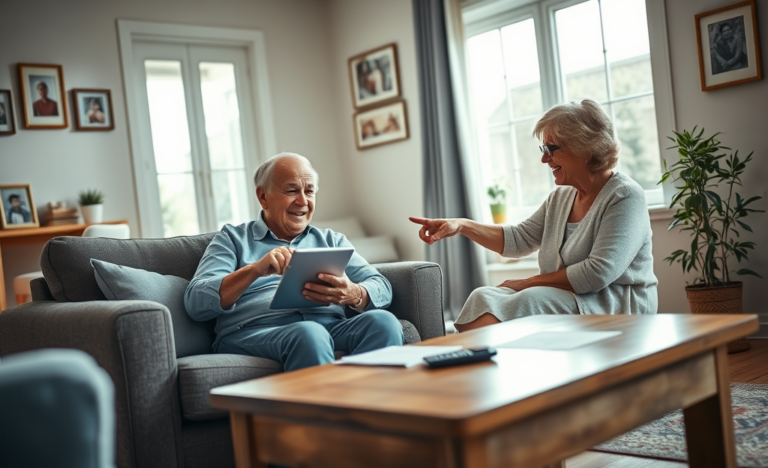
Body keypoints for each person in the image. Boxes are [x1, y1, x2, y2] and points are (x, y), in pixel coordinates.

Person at [410, 99, 658, 332]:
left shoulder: (625, 196)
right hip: (569, 297)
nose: (543, 159)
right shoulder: (559, 199)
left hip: (614, 303)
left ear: (584, 148)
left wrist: (528, 282)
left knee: (530, 298)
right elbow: (517, 240)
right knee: (481, 296)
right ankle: (472, 364)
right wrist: (461, 225)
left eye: (551, 149)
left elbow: (598, 273)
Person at [185, 152, 403, 371]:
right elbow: (195, 301)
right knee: (310, 333)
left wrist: (355, 293)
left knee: (383, 323)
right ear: (263, 197)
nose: (303, 201)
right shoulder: (232, 239)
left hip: (330, 327)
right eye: (291, 191)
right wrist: (255, 270)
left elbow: (380, 284)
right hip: (254, 332)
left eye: (309, 191)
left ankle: (374, 403)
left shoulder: (331, 240)